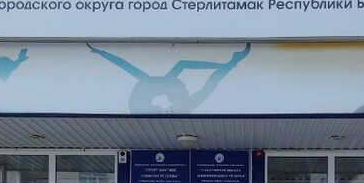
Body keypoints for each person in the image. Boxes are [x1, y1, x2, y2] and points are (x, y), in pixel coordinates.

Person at [86, 42, 251, 114]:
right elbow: (126, 66)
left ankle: (230, 62)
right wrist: (225, 65)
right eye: (184, 90)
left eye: (184, 90)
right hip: (142, 109)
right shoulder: (154, 85)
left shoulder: (166, 89)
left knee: (197, 92)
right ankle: (230, 62)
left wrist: (225, 65)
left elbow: (188, 67)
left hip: (147, 109)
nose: (187, 90)